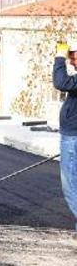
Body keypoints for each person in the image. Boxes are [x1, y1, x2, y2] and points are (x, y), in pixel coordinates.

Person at [52, 41, 77, 233]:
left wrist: (59, 57)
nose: (72, 61)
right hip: (72, 137)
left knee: (71, 187)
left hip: (73, 138)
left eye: (73, 56)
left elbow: (61, 82)